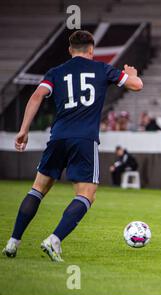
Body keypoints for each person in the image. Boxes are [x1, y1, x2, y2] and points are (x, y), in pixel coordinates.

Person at [2, 30, 143, 261]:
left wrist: (24, 129)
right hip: (84, 139)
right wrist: (132, 74)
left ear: (70, 50)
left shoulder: (56, 72)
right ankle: (54, 239)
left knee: (38, 189)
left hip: (57, 137)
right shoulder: (102, 69)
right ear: (92, 49)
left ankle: (12, 242)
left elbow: (37, 95)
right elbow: (137, 86)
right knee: (87, 194)